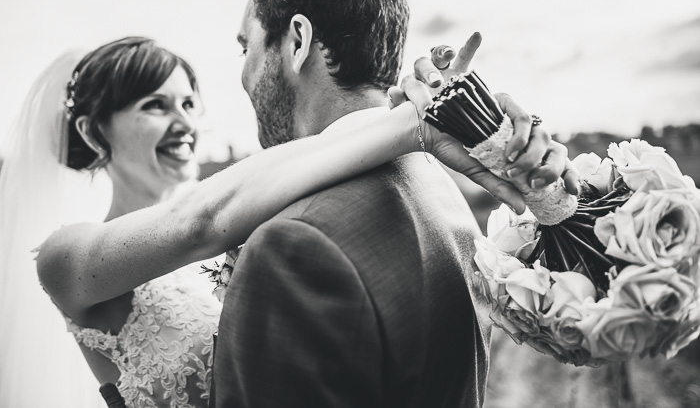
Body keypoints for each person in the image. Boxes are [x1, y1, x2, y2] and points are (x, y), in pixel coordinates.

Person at [0, 26, 568, 408]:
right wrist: (415, 123)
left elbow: (308, 158)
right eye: (155, 105)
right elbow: (198, 224)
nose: (184, 122)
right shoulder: (67, 259)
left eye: (189, 103)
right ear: (91, 130)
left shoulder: (248, 196)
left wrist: (430, 113)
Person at [212, 0, 576, 407]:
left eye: (248, 47)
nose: (243, 72)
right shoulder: (435, 183)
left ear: (298, 42)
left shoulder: (295, 246)